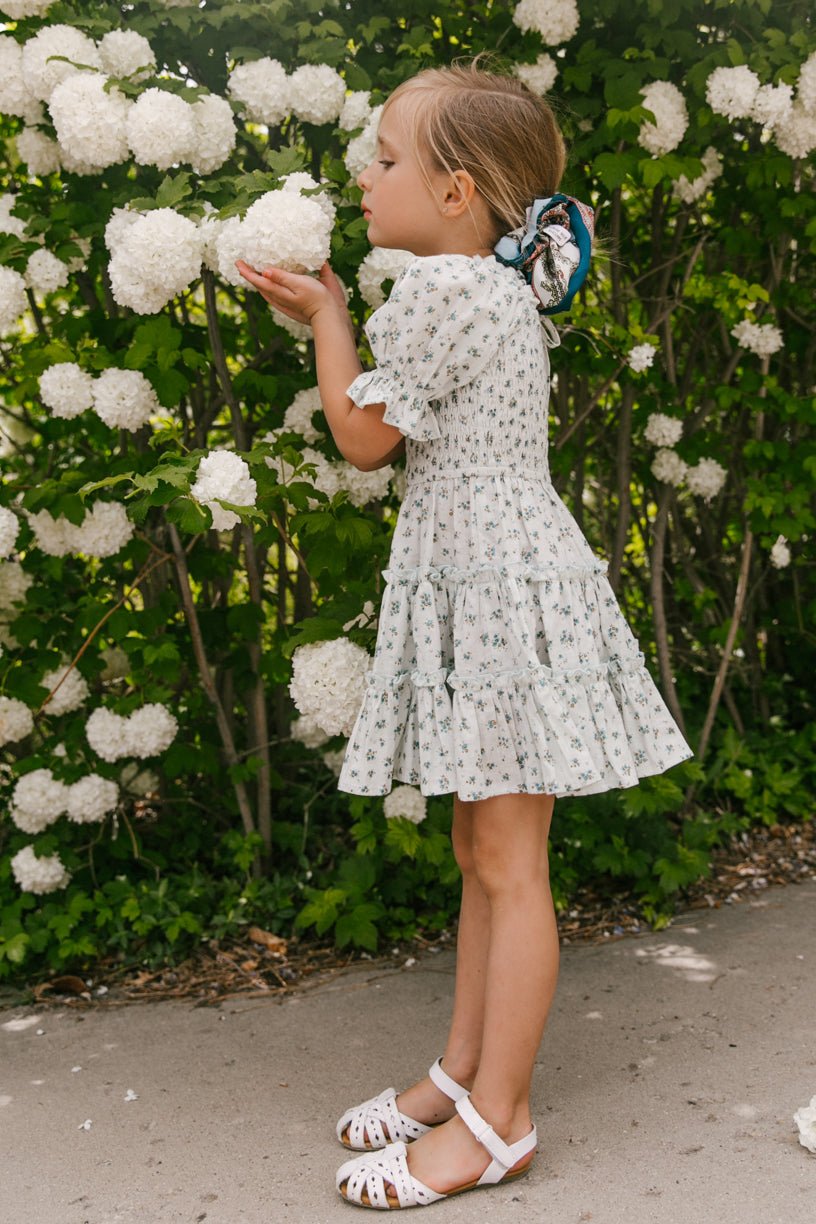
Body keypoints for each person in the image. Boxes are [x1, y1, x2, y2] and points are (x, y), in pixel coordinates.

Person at [237, 56, 694, 1212]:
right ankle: (462, 1073)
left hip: (493, 593)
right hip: (501, 583)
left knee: (506, 861)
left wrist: (329, 312)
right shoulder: (491, 290)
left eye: (387, 158)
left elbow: (360, 438)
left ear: (453, 196)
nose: (366, 172)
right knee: (481, 855)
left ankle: (501, 1119)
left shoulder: (445, 294)